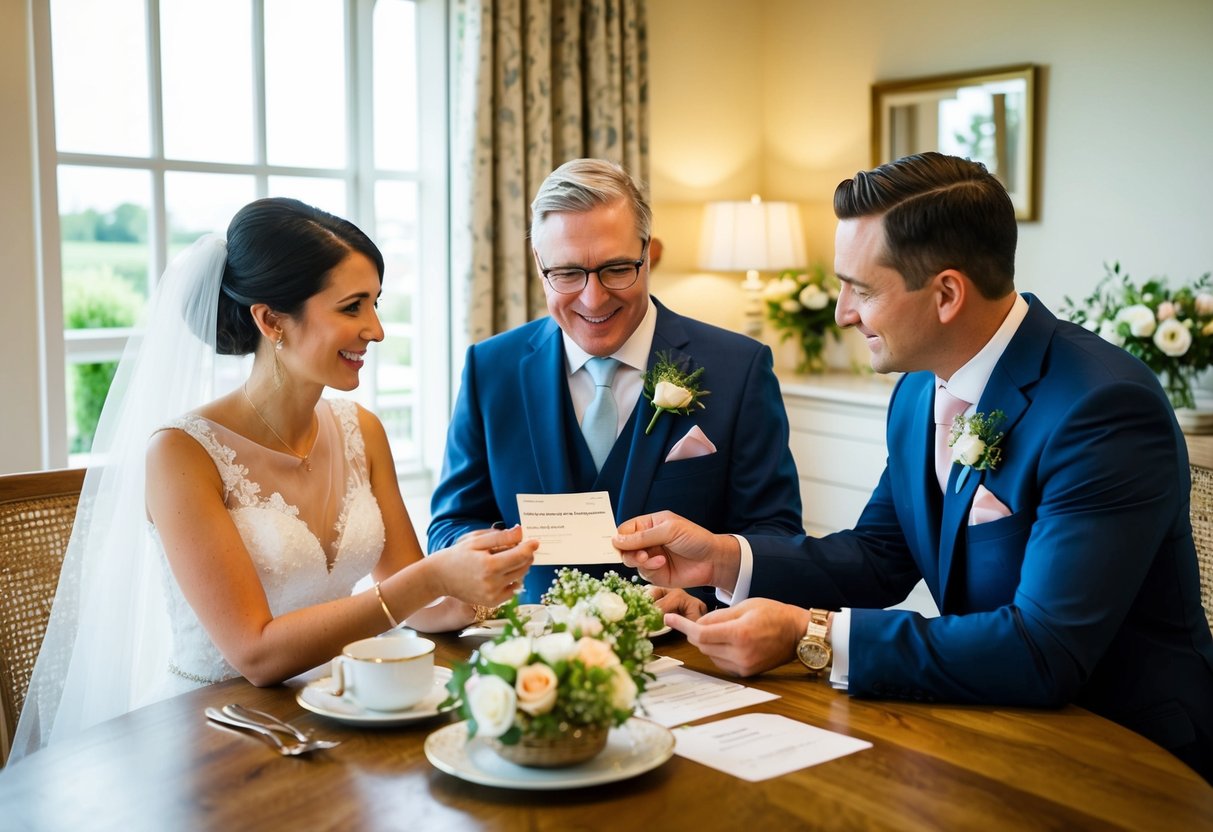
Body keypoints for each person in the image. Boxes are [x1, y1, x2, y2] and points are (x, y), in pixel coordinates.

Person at [615, 152, 1213, 782]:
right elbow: (878, 555)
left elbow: (1045, 649)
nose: (843, 311)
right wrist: (724, 559)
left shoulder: (1105, 407)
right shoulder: (918, 392)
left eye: (863, 289)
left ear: (947, 293)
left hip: (1128, 754)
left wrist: (811, 635)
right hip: (988, 721)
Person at [11, 198, 536, 762]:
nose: (377, 330)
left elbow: (419, 603)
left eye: (376, 303)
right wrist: (431, 576)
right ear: (270, 320)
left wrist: (477, 583)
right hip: (217, 730)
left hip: (337, 717)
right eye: (353, 306)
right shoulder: (181, 453)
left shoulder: (363, 431)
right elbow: (255, 654)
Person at [428, 158, 803, 606]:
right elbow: (449, 525)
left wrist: (703, 598)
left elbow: (776, 536)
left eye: (616, 268)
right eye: (567, 273)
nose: (593, 298)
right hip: (531, 659)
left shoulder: (738, 368)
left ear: (648, 253)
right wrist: (494, 554)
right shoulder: (490, 368)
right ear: (538, 262)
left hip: (689, 652)